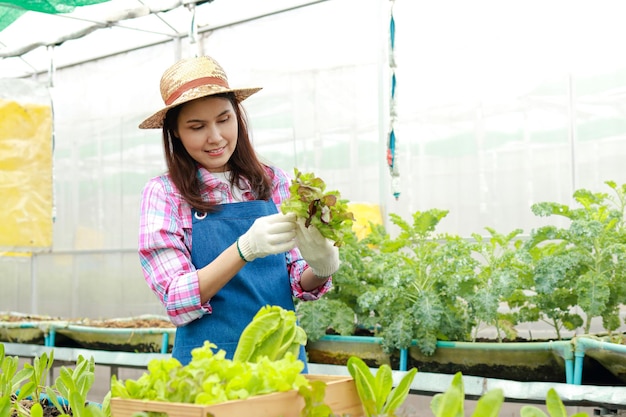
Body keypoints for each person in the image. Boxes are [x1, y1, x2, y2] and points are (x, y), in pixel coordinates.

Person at [137, 55, 339, 368]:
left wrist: (322, 265)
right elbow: (176, 299)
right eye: (197, 126)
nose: (215, 137)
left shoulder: (274, 181)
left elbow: (298, 279)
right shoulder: (164, 193)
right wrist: (243, 250)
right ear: (175, 132)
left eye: (224, 119)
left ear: (238, 116)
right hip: (207, 366)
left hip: (280, 361)